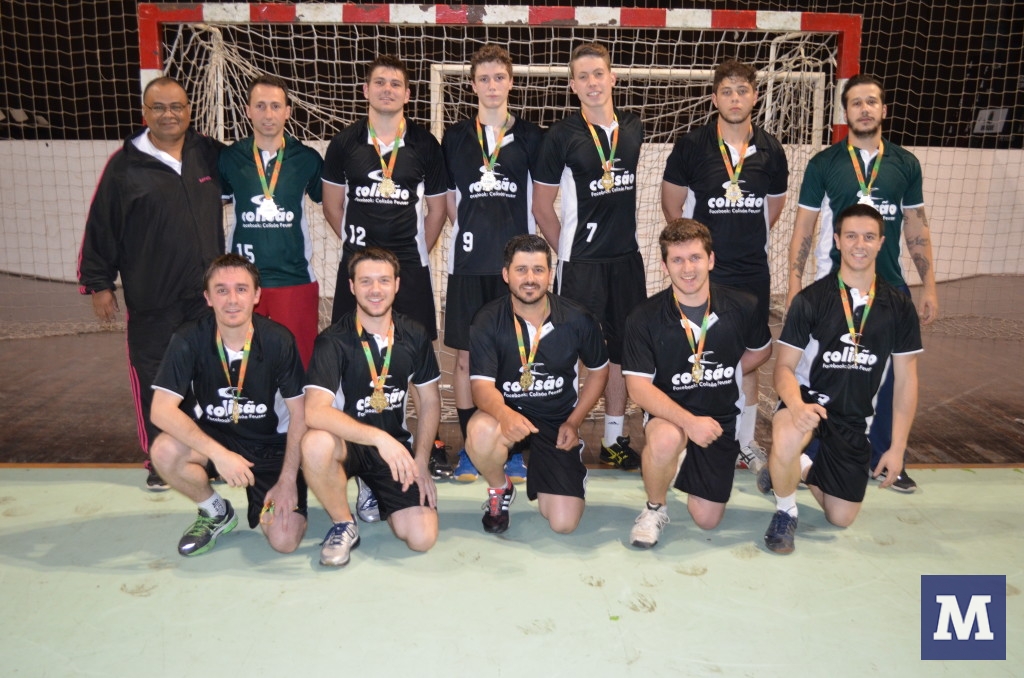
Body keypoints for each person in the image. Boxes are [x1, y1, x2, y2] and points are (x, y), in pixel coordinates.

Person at [786, 73, 937, 493]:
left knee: (891, 379)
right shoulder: (825, 164)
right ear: (845, 112)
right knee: (825, 375)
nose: (865, 109)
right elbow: (804, 228)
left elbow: (916, 226)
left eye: (872, 102)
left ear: (883, 109)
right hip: (832, 290)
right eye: (856, 103)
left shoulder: (906, 164)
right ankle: (810, 456)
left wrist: (930, 284)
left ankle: (887, 459)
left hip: (889, 289)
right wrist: (795, 281)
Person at [78, 76, 224, 491]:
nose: (169, 115)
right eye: (159, 107)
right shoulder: (124, 166)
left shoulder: (207, 154)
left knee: (205, 375)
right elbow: (101, 226)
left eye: (176, 106)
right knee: (156, 376)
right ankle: (160, 460)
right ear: (145, 113)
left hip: (204, 298)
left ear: (189, 111)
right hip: (151, 299)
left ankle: (203, 454)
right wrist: (99, 283)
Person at [764, 204, 922, 554]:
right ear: (837, 240)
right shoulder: (811, 300)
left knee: (841, 517)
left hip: (853, 416)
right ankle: (785, 511)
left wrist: (897, 449)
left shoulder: (899, 306)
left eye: (868, 237)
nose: (859, 244)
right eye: (850, 236)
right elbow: (783, 368)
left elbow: (906, 381)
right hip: (809, 401)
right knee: (789, 435)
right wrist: (795, 404)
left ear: (882, 242)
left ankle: (793, 468)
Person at [661, 59, 789, 475]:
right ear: (715, 98)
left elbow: (772, 210)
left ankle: (745, 443)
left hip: (752, 272)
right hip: (707, 275)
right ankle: (688, 434)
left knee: (748, 356)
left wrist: (741, 238)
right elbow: (672, 206)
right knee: (695, 354)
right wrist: (698, 258)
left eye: (743, 91)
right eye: (727, 91)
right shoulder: (692, 145)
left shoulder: (772, 150)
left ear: (755, 96)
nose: (735, 98)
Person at [622, 220, 771, 548]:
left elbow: (761, 350)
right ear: (664, 266)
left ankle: (683, 463)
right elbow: (638, 389)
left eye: (694, 258)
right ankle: (654, 508)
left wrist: (730, 369)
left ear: (711, 259)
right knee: (663, 440)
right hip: (670, 415)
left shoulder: (742, 306)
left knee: (707, 519)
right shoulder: (644, 317)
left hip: (719, 418)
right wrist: (688, 422)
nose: (687, 268)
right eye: (677, 260)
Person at [532, 42, 645, 472]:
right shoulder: (560, 136)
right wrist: (570, 253)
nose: (593, 82)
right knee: (570, 352)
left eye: (599, 73)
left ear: (612, 78)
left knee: (621, 354)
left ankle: (615, 438)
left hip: (627, 263)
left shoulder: (633, 128)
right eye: (584, 76)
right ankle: (567, 433)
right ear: (573, 86)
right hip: (581, 267)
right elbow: (542, 206)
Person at [149, 254, 308, 557]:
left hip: (271, 447)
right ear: (208, 297)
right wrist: (219, 455)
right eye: (221, 290)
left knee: (284, 540)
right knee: (164, 450)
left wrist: (288, 479)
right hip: (217, 438)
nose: (232, 299)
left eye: (241, 289)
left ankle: (284, 493)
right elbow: (160, 410)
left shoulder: (278, 340)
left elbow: (300, 416)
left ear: (257, 295)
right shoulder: (188, 338)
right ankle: (215, 511)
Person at [441, 44, 544, 484]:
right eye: (483, 79)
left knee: (514, 358)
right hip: (468, 263)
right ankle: (470, 446)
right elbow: (448, 203)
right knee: (466, 359)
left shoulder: (532, 137)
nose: (491, 86)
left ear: (510, 82)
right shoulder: (455, 138)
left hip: (513, 267)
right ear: (472, 85)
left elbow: (540, 200)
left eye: (498, 78)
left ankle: (513, 447)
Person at [301, 247, 441, 567]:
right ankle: (343, 523)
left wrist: (420, 460)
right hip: (347, 444)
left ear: (397, 284)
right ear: (351, 287)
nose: (375, 290)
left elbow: (430, 400)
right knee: (315, 443)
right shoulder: (332, 341)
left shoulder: (415, 335)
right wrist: (379, 439)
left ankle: (374, 488)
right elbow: (315, 411)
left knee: (421, 538)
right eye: (365, 282)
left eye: (383, 281)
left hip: (394, 448)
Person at [466, 234, 609, 535]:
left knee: (563, 523)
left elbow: (598, 371)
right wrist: (505, 415)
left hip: (557, 420)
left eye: (538, 270)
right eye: (521, 270)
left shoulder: (577, 318)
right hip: (507, 412)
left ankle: (560, 468)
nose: (530, 278)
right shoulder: (487, 320)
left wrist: (574, 421)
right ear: (506, 275)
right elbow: (481, 389)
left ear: (550, 274)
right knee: (479, 432)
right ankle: (499, 488)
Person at [321, 55, 448, 340]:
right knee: (350, 346)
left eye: (395, 84)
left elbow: (437, 210)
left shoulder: (426, 144)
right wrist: (354, 243)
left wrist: (416, 248)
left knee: (416, 349)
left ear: (407, 95)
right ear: (366, 90)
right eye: (379, 82)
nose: (387, 89)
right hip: (357, 261)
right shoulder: (344, 142)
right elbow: (331, 206)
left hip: (409, 263)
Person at [219, 74, 324, 368]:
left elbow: (333, 204)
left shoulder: (307, 159)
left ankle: (300, 417)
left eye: (276, 106)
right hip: (241, 283)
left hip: (294, 280)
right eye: (261, 106)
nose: (268, 114)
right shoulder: (229, 158)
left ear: (288, 111)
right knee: (242, 365)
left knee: (298, 365)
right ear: (248, 110)